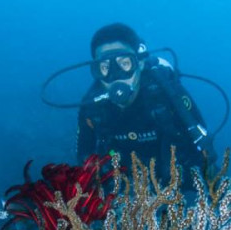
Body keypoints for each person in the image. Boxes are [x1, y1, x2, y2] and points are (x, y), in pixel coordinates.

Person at [76, 23, 215, 178]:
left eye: (125, 64)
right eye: (104, 67)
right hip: (123, 186)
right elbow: (84, 158)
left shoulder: (166, 93)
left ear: (140, 63)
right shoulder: (92, 107)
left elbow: (204, 148)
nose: (115, 76)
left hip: (178, 182)